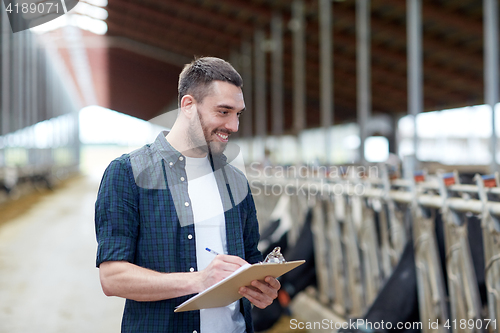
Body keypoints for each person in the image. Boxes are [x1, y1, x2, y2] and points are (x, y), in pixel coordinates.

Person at [94, 57, 280, 333]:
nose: (234, 126)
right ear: (189, 106)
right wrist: (199, 281)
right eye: (223, 112)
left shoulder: (235, 182)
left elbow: (250, 260)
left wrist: (262, 288)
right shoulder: (127, 173)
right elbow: (112, 278)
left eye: (237, 114)